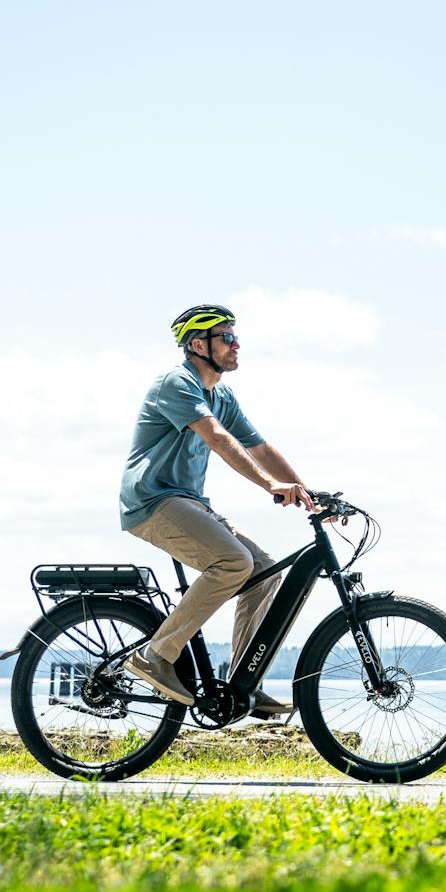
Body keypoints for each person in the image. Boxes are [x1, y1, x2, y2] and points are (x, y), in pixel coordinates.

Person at [119, 303, 318, 714]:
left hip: (188, 502)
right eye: (226, 337)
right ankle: (156, 655)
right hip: (153, 501)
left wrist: (306, 493)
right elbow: (217, 437)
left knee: (264, 572)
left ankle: (246, 681)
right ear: (198, 344)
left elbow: (259, 446)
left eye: (235, 336)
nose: (236, 344)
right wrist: (269, 485)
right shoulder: (177, 383)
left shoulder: (222, 394)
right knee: (232, 562)